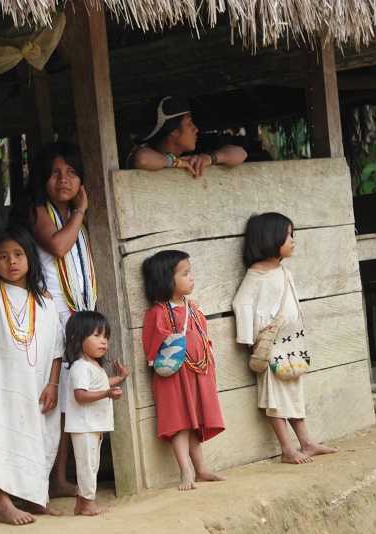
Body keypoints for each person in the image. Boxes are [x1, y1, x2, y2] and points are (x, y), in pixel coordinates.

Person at [0, 226, 65, 525]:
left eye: (18, 255)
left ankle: (36, 497)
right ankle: (4, 502)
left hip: (37, 385)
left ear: (30, 259)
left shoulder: (45, 302)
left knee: (39, 437)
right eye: (3, 256)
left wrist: (53, 383)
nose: (11, 262)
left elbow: (57, 348)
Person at [17, 141, 96, 499]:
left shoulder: (73, 219)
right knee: (53, 401)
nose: (63, 179)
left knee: (69, 401)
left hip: (77, 315)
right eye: (55, 172)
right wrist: (80, 212)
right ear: (41, 178)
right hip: (52, 318)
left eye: (72, 172)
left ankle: (60, 477)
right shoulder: (39, 212)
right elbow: (59, 247)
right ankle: (46, 476)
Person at [232, 212, 339, 464]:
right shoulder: (256, 276)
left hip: (291, 346)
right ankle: (287, 449)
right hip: (270, 349)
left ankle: (307, 443)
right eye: (287, 235)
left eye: (293, 234)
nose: (293, 240)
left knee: (293, 392)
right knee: (275, 399)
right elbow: (242, 304)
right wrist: (250, 341)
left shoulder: (284, 272)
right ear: (270, 238)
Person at [141, 250, 227, 490]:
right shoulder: (158, 313)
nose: (191, 277)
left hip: (197, 375)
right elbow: (153, 349)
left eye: (190, 272)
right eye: (185, 273)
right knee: (179, 422)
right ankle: (185, 471)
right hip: (173, 378)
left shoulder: (192, 309)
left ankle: (201, 469)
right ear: (166, 279)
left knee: (194, 421)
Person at [63, 311, 130, 516]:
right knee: (87, 466)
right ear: (77, 338)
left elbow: (101, 383)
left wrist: (119, 378)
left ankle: (81, 505)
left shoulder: (92, 365)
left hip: (93, 425)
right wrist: (107, 394)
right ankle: (89, 505)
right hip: (84, 426)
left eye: (106, 337)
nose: (103, 342)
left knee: (90, 465)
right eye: (97, 336)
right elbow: (81, 395)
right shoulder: (80, 367)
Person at [129, 96, 247, 178]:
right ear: (173, 131)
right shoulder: (140, 159)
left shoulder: (190, 161)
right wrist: (175, 161)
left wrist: (210, 158)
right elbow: (142, 159)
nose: (196, 129)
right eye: (189, 122)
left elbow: (241, 153)